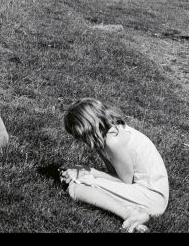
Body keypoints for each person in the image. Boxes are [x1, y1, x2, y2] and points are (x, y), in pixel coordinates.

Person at [60, 98, 169, 233]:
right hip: (143, 190)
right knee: (79, 179)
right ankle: (134, 215)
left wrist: (89, 172)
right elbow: (114, 174)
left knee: (77, 186)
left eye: (78, 135)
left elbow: (124, 182)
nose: (80, 140)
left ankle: (130, 214)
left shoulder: (113, 141)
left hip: (151, 197)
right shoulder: (108, 135)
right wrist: (86, 171)